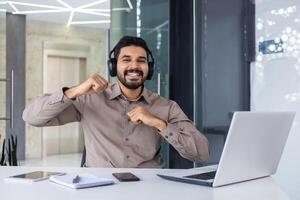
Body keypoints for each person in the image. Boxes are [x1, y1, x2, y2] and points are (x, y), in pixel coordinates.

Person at [23, 36, 209, 168]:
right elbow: (32, 117)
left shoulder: (166, 107)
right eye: (126, 60)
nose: (134, 66)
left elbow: (201, 153)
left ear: (149, 68)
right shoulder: (90, 99)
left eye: (141, 61)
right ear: (114, 66)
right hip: (99, 187)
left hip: (148, 188)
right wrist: (76, 90)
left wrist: (159, 123)